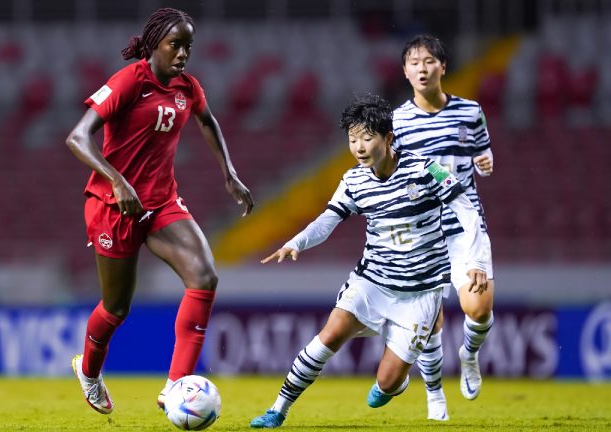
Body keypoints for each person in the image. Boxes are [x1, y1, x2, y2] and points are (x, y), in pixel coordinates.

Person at [249, 93, 488, 428]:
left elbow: (466, 209)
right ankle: (278, 409)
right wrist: (296, 243)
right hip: (373, 280)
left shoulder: (425, 169)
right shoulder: (353, 180)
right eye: (352, 139)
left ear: (388, 138)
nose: (359, 147)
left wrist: (475, 260)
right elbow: (328, 220)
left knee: (387, 384)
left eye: (366, 138)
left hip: (420, 292)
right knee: (329, 335)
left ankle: (397, 382)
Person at [65, 8, 254, 415]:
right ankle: (90, 372)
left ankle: (175, 387)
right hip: (113, 207)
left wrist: (230, 173)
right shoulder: (130, 81)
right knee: (116, 307)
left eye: (189, 45)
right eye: (175, 44)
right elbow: (77, 137)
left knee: (204, 276)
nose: (183, 53)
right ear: (154, 45)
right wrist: (117, 179)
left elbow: (208, 121)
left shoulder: (188, 87)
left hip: (160, 202)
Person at [392, 34, 495, 421]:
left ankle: (469, 354)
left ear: (443, 67)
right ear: (405, 71)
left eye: (429, 61)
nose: (422, 67)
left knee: (479, 307)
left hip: (465, 224)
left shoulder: (470, 112)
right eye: (414, 62)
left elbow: (482, 148)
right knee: (428, 319)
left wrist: (485, 161)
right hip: (422, 229)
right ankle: (435, 396)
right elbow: (393, 171)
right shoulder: (397, 121)